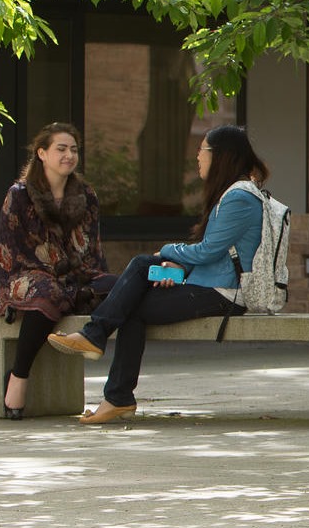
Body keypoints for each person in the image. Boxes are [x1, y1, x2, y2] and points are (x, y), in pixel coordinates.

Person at [47, 125, 268, 424]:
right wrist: (177, 266)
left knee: (139, 268)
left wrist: (165, 252)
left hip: (227, 294)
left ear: (221, 157)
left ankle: (99, 347)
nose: (197, 156)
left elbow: (207, 252)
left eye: (202, 150)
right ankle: (116, 394)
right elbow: (214, 253)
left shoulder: (240, 197)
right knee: (133, 304)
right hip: (210, 285)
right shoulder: (231, 194)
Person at [0, 122, 113, 420]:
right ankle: (18, 378)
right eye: (61, 149)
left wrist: (87, 277)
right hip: (24, 274)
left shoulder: (87, 195)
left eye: (73, 150)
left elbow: (92, 249)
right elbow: (9, 249)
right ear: (42, 153)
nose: (69, 155)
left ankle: (117, 393)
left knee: (123, 285)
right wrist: (50, 272)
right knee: (48, 293)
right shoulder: (19, 195)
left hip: (76, 273)